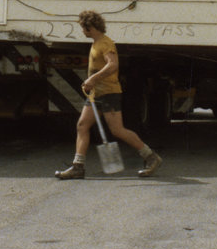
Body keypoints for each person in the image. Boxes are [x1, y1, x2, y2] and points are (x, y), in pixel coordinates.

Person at [55, 11, 163, 179]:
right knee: (82, 125)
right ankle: (78, 167)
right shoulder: (96, 43)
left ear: (90, 27)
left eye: (83, 28)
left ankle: (151, 157)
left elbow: (113, 65)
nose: (82, 31)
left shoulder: (105, 43)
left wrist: (93, 79)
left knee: (117, 130)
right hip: (96, 94)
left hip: (109, 93)